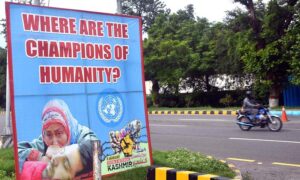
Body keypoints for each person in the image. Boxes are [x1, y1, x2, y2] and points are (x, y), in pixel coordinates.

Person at [18, 99, 98, 179]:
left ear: (68, 128)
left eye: (59, 133)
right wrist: (40, 157)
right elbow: (17, 151)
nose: (54, 142)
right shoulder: (43, 141)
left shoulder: (81, 133)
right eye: (49, 135)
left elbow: (95, 149)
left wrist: (64, 154)